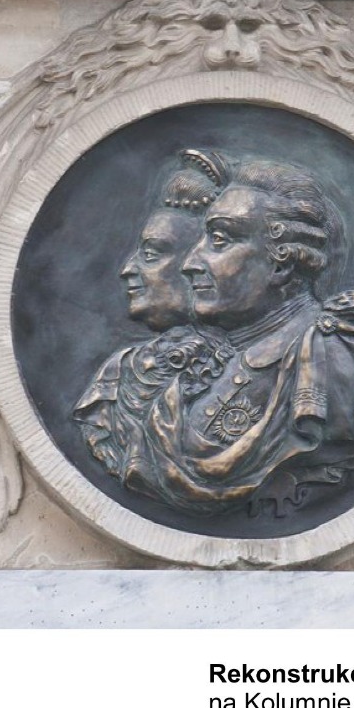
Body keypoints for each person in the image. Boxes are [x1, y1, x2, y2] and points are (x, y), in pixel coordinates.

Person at [75, 157, 354, 520]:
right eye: (203, 239)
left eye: (220, 240)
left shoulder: (332, 361)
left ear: (282, 262)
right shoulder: (205, 360)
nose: (192, 261)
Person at [72, 149, 231, 476]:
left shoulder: (286, 366)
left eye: (151, 254)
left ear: (197, 264)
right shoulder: (118, 376)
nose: (128, 270)